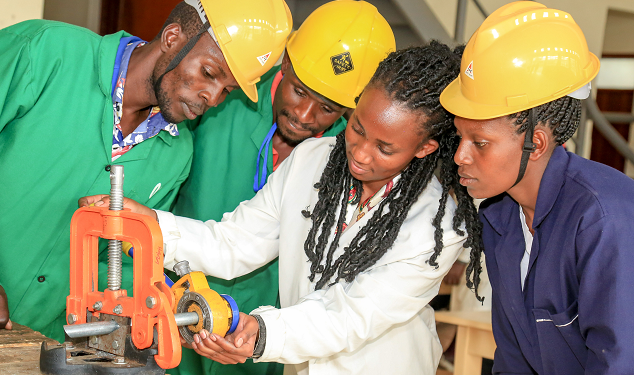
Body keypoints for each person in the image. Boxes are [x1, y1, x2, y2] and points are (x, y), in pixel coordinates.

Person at [0, 0, 292, 342]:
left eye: (226, 90)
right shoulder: (43, 51)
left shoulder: (174, 154)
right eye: (209, 73)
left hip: (25, 340)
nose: (210, 97)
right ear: (174, 36)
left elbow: (113, 256)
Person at [83, 41, 484, 374]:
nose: (360, 153)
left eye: (385, 148)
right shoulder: (312, 159)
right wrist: (151, 225)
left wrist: (263, 331)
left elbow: (352, 314)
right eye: (358, 128)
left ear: (425, 148)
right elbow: (235, 242)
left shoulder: (436, 223)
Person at [440, 2, 634, 373]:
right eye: (459, 137)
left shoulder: (608, 224)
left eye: (479, 142)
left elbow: (629, 364)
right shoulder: (502, 217)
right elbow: (515, 356)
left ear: (538, 143)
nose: (460, 156)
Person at [168, 1, 394, 374]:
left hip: (256, 337)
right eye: (300, 92)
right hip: (177, 305)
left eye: (327, 107)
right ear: (285, 63)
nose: (305, 116)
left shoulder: (347, 156)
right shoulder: (227, 97)